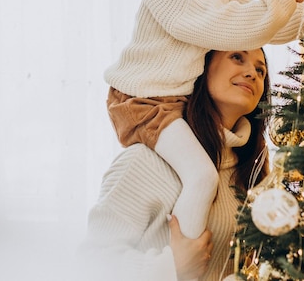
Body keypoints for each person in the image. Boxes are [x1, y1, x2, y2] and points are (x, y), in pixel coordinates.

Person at [104, 0, 304, 245]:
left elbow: (262, 27)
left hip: (167, 103)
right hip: (143, 104)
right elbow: (236, 26)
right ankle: (186, 253)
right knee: (201, 175)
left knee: (203, 173)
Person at [81, 48, 273, 281]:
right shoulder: (144, 161)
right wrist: (170, 267)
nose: (252, 73)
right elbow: (91, 263)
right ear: (201, 65)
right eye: (237, 58)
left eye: (260, 70)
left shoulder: (253, 174)